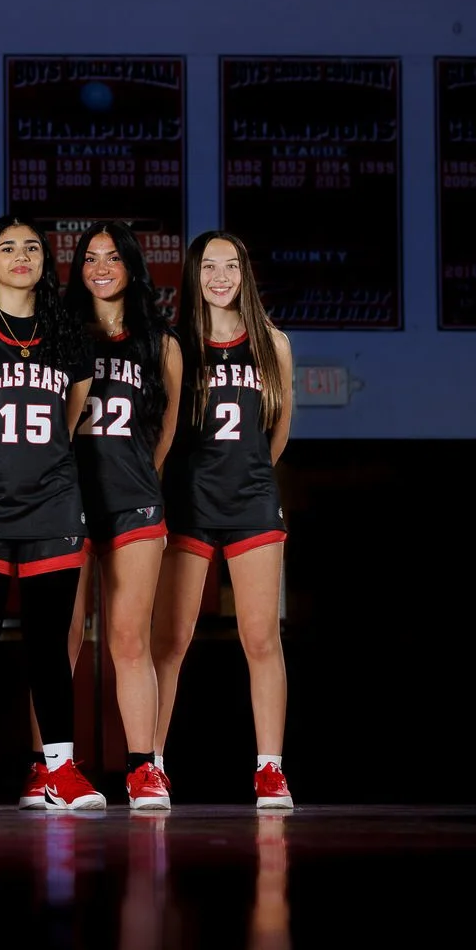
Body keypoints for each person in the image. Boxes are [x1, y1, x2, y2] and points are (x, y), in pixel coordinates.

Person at [0, 215, 103, 810]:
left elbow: (70, 419)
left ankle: (58, 772)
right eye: (8, 247)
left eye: (33, 247)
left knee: (50, 643)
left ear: (46, 261)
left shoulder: (67, 331)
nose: (22, 256)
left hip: (51, 502)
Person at [150, 231, 295, 809]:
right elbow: (163, 432)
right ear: (193, 274)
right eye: (208, 265)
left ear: (244, 273)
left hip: (252, 501)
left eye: (230, 265)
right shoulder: (177, 343)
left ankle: (270, 769)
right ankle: (152, 764)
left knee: (262, 640)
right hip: (190, 502)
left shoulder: (273, 344)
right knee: (171, 641)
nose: (219, 276)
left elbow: (277, 431)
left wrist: (250, 476)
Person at [64, 222, 182, 809]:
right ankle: (51, 766)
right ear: (78, 268)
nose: (102, 266)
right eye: (91, 257)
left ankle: (144, 768)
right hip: (68, 501)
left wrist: (132, 475)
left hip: (134, 499)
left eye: (113, 257)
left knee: (129, 639)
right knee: (64, 638)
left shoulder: (161, 343)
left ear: (133, 266)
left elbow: (164, 437)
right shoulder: (62, 333)